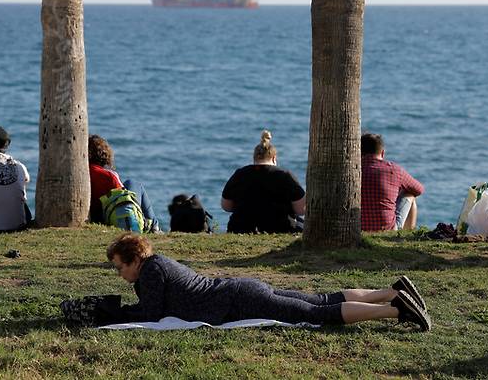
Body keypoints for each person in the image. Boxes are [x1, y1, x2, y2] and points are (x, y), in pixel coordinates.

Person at [107, 234, 431, 331]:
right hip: (240, 289)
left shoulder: (151, 271)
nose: (120, 274)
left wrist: (110, 312)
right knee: (319, 300)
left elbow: (150, 313)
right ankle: (393, 291)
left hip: (241, 300)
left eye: (120, 266)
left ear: (134, 258)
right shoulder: (157, 264)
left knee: (316, 314)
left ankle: (395, 310)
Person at [221, 130, 305, 233]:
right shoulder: (285, 176)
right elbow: (302, 209)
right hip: (280, 228)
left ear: (254, 158)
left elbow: (226, 206)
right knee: (302, 223)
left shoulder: (240, 174)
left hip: (240, 228)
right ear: (274, 158)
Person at [88, 134, 160, 232]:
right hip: (114, 217)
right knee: (133, 183)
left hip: (96, 216)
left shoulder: (82, 172)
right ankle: (154, 226)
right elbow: (125, 200)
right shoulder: (108, 176)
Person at [361, 133, 425, 231]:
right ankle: (407, 235)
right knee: (410, 194)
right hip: (388, 229)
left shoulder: (352, 171)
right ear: (382, 153)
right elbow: (419, 189)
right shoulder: (394, 170)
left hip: (358, 227)